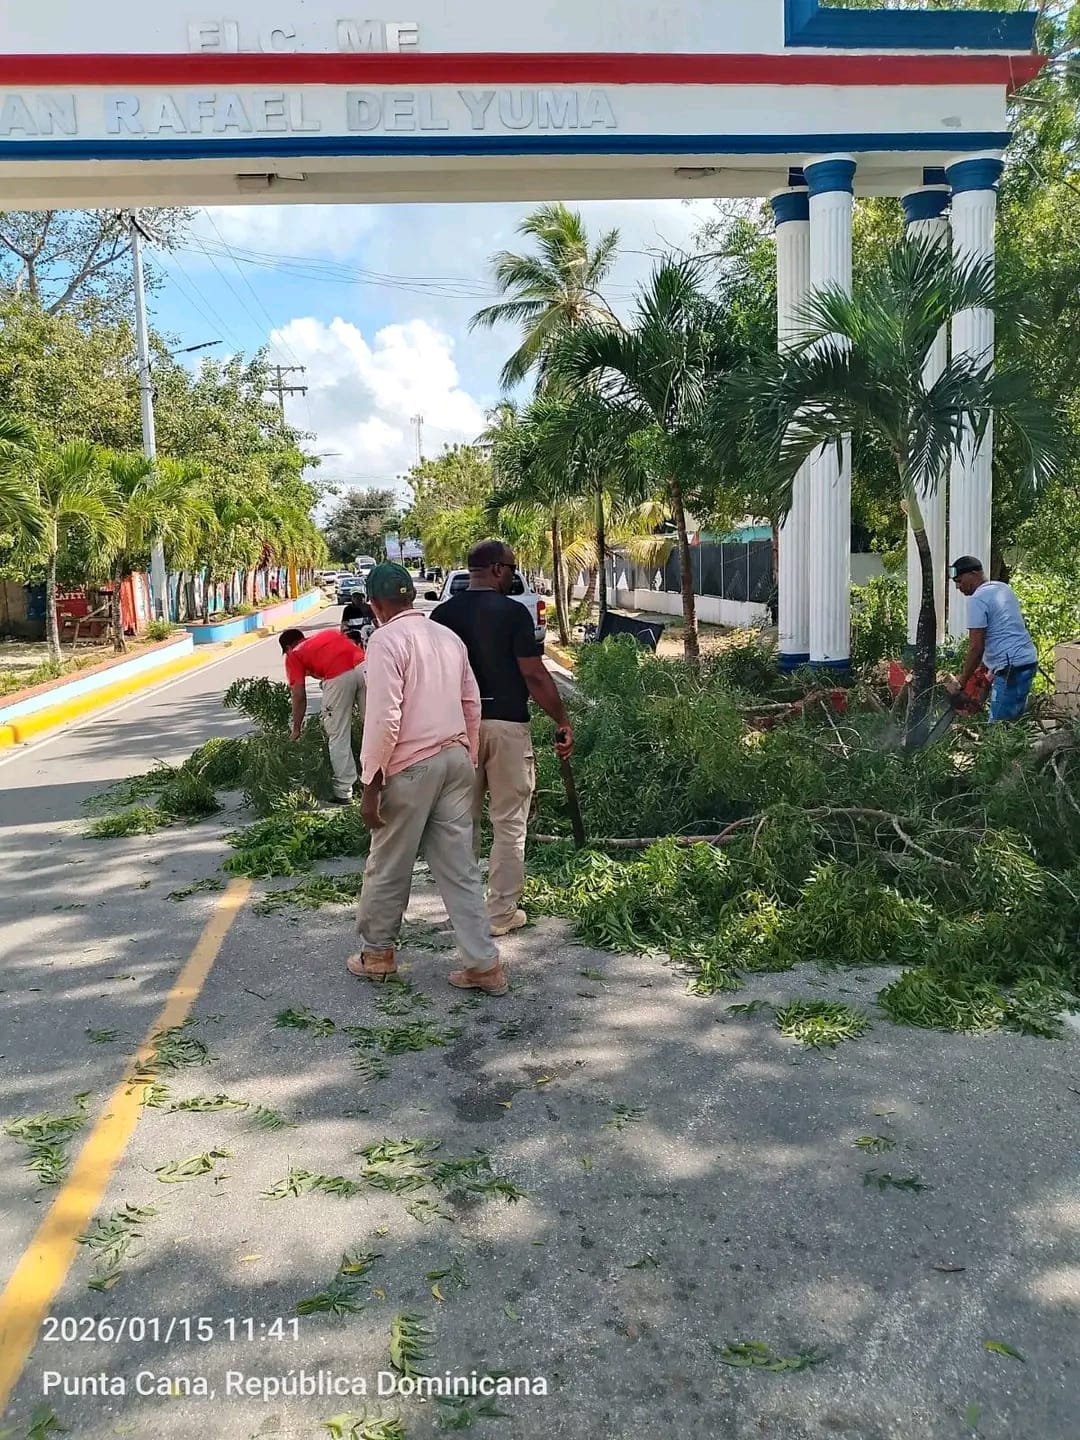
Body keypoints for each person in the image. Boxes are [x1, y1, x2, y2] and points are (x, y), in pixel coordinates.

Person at [351, 562, 507, 996]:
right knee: (459, 868)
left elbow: (384, 717)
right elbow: (471, 702)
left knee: (389, 863)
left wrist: (371, 782)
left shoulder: (385, 640)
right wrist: (469, 756)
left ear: (375, 603)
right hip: (455, 759)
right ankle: (483, 964)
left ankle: (377, 955)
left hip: (410, 766)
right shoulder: (446, 636)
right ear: (410, 597)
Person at [431, 538, 573, 937]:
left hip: (458, 731)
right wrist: (561, 719)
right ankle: (499, 914)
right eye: (511, 568)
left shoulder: (442, 616)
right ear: (496, 569)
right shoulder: (513, 614)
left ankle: (464, 912)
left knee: (460, 823)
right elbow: (533, 673)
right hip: (508, 727)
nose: (512, 574)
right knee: (510, 822)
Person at [279, 626, 366, 804]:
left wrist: (296, 728)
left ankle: (344, 791)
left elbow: (299, 695)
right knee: (375, 727)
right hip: (365, 667)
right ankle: (382, 781)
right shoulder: (327, 635)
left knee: (338, 734)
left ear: (288, 647)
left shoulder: (294, 653)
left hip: (339, 677)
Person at [946, 556, 1038, 723]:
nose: (958, 587)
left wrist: (962, 682)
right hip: (1025, 660)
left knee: (999, 728)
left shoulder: (977, 599)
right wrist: (984, 672)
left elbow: (976, 647)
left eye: (960, 581)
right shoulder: (1002, 588)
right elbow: (1001, 631)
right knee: (1013, 721)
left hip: (1011, 667)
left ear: (973, 574)